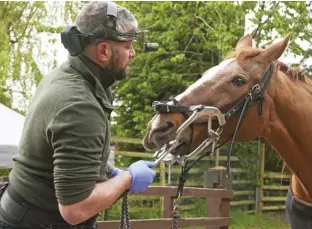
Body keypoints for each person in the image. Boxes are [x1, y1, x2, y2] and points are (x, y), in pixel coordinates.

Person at [0, 1, 156, 229]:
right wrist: (128, 178)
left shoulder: (65, 75)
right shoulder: (80, 104)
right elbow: (75, 209)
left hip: (20, 210)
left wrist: (110, 172)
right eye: (127, 46)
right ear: (103, 51)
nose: (132, 54)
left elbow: (65, 151)